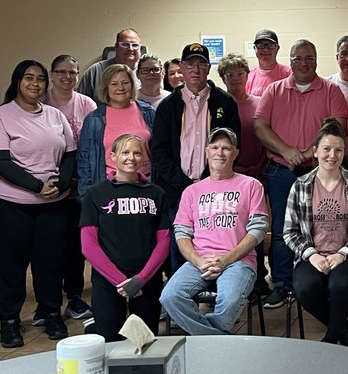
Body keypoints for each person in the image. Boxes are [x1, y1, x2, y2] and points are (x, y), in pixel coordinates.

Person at [0, 60, 77, 347]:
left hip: (53, 204)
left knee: (50, 264)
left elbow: (70, 153)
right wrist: (36, 186)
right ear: (17, 82)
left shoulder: (55, 116)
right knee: (12, 266)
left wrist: (61, 184)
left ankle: (51, 314)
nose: (35, 84)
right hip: (11, 205)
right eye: (28, 78)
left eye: (40, 79)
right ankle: (9, 322)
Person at [254, 39, 348, 308]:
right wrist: (285, 150)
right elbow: (260, 127)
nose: (304, 63)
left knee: (326, 227)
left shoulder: (331, 90)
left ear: (317, 60)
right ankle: (283, 283)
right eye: (298, 58)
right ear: (291, 60)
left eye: (309, 57)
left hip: (321, 173)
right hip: (282, 172)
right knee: (285, 230)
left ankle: (319, 279)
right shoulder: (274, 90)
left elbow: (338, 126)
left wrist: (310, 152)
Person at [159, 128, 268, 335]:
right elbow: (181, 233)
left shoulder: (251, 185)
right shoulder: (191, 191)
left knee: (230, 300)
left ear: (236, 153)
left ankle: (205, 341)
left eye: (226, 148)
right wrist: (199, 261)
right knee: (169, 296)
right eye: (215, 147)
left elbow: (259, 229)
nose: (220, 152)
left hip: (238, 261)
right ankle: (216, 339)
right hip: (199, 260)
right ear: (206, 152)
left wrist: (226, 259)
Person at [284, 120, 348, 350]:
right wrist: (311, 254)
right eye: (326, 149)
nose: (332, 155)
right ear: (315, 151)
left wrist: (343, 254)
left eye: (338, 150)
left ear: (344, 153)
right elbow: (289, 231)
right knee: (305, 288)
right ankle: (344, 332)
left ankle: (329, 342)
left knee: (340, 286)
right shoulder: (301, 185)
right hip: (311, 255)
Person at [151, 43, 241, 273]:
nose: (195, 70)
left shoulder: (225, 102)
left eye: (201, 64)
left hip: (216, 190)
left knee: (216, 245)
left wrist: (207, 183)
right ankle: (180, 301)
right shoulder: (168, 106)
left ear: (209, 68)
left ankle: (216, 297)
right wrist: (183, 184)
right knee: (179, 247)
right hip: (177, 191)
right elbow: (159, 151)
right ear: (181, 67)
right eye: (190, 64)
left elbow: (232, 145)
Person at [79, 134, 170, 341]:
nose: (132, 157)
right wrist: (121, 281)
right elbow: (88, 245)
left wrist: (140, 280)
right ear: (113, 156)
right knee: (109, 340)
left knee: (145, 341)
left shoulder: (156, 193)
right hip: (108, 281)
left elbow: (164, 241)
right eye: (125, 152)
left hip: (146, 279)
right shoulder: (96, 193)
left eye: (137, 153)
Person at [42, 54, 98, 322]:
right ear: (52, 75)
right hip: (48, 186)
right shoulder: (42, 102)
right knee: (52, 246)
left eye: (73, 73)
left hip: (79, 184)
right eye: (62, 72)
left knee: (77, 246)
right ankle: (47, 300)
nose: (67, 77)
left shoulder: (86, 103)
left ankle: (75, 297)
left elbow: (89, 146)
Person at [78, 64, 156, 198]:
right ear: (106, 88)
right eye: (114, 84)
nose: (120, 88)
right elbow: (84, 163)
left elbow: (161, 152)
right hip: (108, 189)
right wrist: (85, 198)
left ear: (132, 85)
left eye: (125, 82)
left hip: (145, 187)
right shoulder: (94, 120)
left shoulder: (149, 113)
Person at [218, 53, 266, 180]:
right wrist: (231, 167)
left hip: (260, 170)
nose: (236, 78)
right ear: (223, 78)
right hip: (227, 172)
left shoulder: (261, 103)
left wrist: (259, 166)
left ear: (247, 75)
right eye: (230, 75)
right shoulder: (219, 107)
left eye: (240, 73)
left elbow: (269, 138)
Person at [77, 28, 141, 102]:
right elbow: (81, 104)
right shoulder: (95, 71)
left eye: (135, 45)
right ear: (116, 47)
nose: (130, 49)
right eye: (125, 44)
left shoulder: (147, 72)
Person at [245, 29, 293, 96]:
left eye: (271, 45)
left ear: (277, 48)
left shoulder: (289, 74)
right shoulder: (248, 76)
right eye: (261, 45)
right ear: (254, 48)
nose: (266, 49)